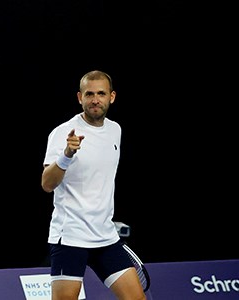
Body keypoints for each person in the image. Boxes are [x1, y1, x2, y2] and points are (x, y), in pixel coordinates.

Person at [40, 70, 146, 300]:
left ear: (112, 97)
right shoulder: (62, 133)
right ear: (80, 98)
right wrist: (67, 154)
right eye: (89, 94)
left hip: (105, 237)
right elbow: (47, 184)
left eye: (101, 93)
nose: (95, 99)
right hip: (70, 237)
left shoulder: (115, 130)